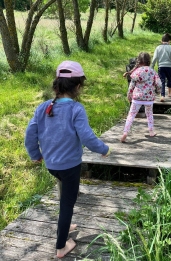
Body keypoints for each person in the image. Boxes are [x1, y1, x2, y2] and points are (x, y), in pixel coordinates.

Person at [24, 60, 111, 258]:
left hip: (51, 164)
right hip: (70, 166)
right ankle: (61, 246)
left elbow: (30, 134)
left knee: (63, 193)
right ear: (78, 86)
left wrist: (35, 154)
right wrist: (104, 149)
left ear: (57, 85)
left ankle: (67, 223)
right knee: (67, 204)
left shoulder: (43, 107)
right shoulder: (76, 109)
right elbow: (87, 137)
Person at [121, 52, 162, 143]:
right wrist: (158, 92)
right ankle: (151, 131)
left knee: (131, 115)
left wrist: (129, 96)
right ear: (149, 61)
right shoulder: (152, 71)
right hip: (149, 99)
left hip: (137, 98)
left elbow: (131, 86)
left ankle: (125, 132)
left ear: (138, 61)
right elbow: (159, 84)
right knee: (149, 114)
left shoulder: (136, 72)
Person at [151, 33, 171, 102]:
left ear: (161, 41)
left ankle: (162, 96)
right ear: (169, 41)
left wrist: (152, 67)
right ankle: (170, 92)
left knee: (162, 81)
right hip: (169, 67)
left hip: (161, 67)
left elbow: (154, 58)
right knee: (169, 79)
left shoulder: (158, 47)